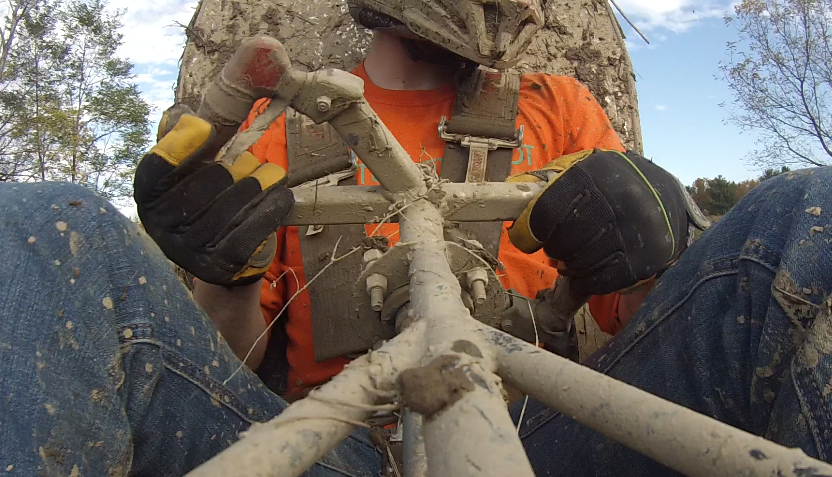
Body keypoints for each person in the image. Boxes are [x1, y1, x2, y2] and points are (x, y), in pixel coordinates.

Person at [1, 2, 830, 477]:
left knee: (810, 213)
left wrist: (655, 247)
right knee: (39, 226)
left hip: (548, 434)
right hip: (333, 448)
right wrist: (223, 274)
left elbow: (644, 323)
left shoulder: (558, 109)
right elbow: (236, 366)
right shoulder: (283, 130)